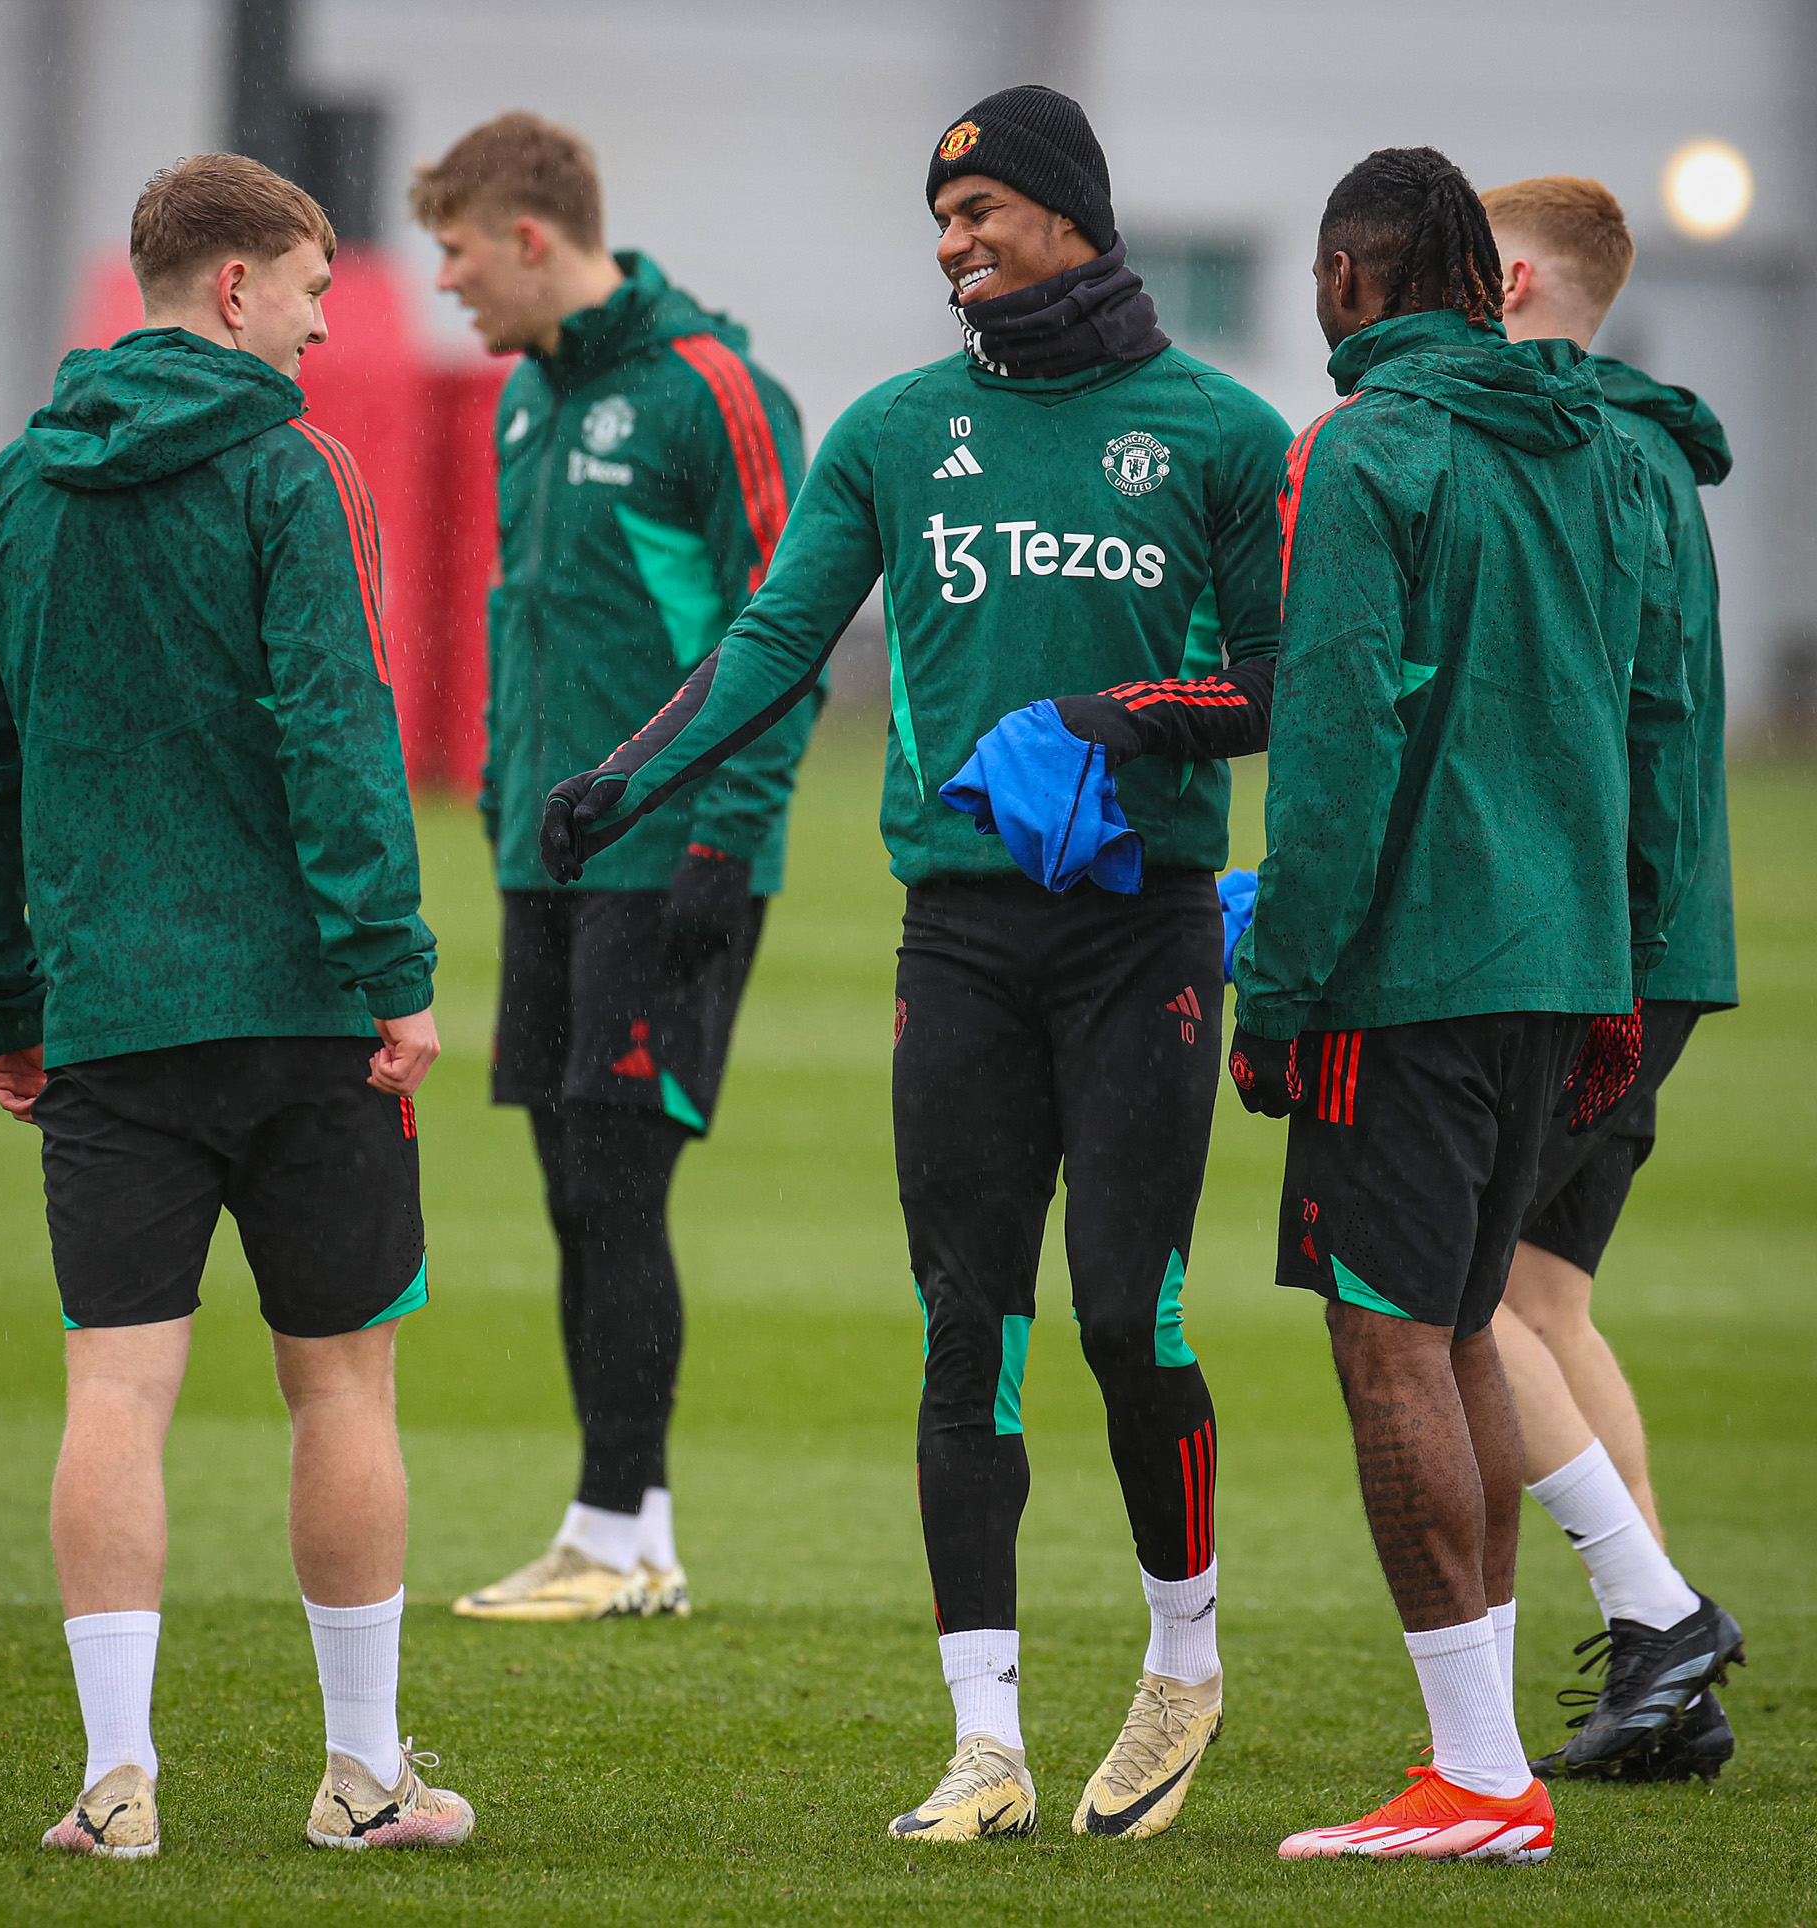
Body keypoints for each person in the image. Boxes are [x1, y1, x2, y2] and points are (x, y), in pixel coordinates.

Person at [544, 85, 1293, 1843]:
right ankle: (988, 1747)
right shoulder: (895, 432)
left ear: (1070, 213)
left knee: (1132, 1316)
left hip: (1144, 940)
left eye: (981, 210)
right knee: (972, 1336)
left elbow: (1275, 684)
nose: (953, 240)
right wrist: (627, 776)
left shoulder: (1221, 433)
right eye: (939, 217)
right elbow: (776, 638)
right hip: (957, 939)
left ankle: (1181, 1664)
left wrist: (1109, 717)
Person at [0, 154, 470, 1858]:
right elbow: (338, 731)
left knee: (114, 1392)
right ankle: (364, 1779)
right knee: (345, 1393)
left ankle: (114, 1782)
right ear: (235, 288)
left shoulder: (13, 490)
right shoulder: (292, 471)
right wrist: (394, 970)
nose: (323, 326)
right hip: (307, 1014)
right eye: (312, 290)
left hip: (104, 1016)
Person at [1228, 146, 1697, 1865]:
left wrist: (1279, 993)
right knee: (1470, 1322)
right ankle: (1486, 1760)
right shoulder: (1607, 456)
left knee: (1390, 1343)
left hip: (1405, 969)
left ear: (1351, 281)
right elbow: (1649, 727)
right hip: (1559, 962)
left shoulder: (1363, 449)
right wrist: (1619, 968)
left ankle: (1481, 1778)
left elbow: (1338, 737)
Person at [409, 113, 815, 1623]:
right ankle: (629, 1537)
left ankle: (615, 1531)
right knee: (571, 1187)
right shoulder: (526, 401)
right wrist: (510, 805)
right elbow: (534, 626)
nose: (443, 282)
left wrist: (727, 835)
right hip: (548, 853)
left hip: (671, 852)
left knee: (617, 1176)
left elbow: (783, 627)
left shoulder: (713, 389)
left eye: (454, 251)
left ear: (529, 235)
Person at [1482, 175, 1744, 1783]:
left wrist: (1593, 952)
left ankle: (1661, 1619)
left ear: (1507, 281)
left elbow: (1618, 722)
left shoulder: (1593, 456)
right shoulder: (1646, 449)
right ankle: (1662, 1679)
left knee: (1447, 1288)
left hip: (1605, 944)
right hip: (1653, 935)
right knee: (1543, 1296)